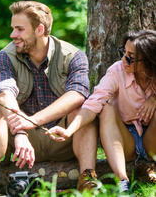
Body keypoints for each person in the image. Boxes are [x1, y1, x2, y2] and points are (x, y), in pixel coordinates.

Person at [0, 1, 98, 195]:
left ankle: (87, 180)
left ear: (39, 29)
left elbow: (77, 94)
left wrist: (31, 121)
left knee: (81, 107)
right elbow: (4, 93)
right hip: (23, 141)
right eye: (12, 29)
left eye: (19, 29)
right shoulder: (5, 56)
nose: (12, 35)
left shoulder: (74, 56)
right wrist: (20, 132)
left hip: (63, 138)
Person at [47, 30, 156, 194]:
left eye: (130, 57)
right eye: (123, 52)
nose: (123, 59)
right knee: (106, 107)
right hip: (126, 139)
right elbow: (93, 103)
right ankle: (123, 182)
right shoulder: (117, 71)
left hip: (152, 140)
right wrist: (69, 131)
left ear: (148, 60)